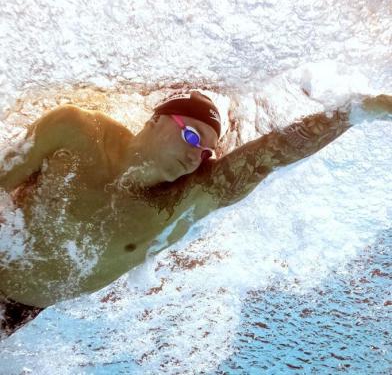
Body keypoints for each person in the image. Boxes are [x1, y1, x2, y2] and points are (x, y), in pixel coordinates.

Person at [0, 90, 389, 336]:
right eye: (191, 137)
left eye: (205, 152)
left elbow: (269, 155)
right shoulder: (75, 129)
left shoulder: (178, 202)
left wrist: (353, 112)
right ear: (154, 120)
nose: (194, 156)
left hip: (18, 310)